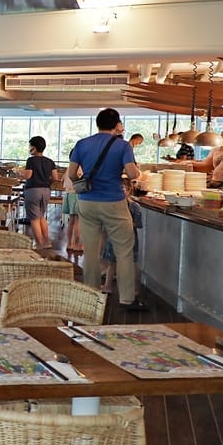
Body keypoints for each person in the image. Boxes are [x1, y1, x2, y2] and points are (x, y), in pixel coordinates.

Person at [67, 107, 145, 312]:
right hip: (113, 202)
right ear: (117, 125)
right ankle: (127, 299)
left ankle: (91, 296)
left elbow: (72, 174)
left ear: (98, 124)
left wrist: (85, 183)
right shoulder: (123, 146)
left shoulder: (82, 144)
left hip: (86, 201)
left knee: (91, 251)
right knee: (124, 251)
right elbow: (132, 173)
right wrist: (136, 172)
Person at [100, 178, 143, 293]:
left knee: (131, 263)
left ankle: (134, 289)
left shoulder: (134, 206)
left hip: (128, 238)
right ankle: (108, 285)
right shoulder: (112, 204)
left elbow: (138, 224)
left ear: (129, 190)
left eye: (123, 189)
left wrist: (126, 223)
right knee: (112, 262)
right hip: (114, 237)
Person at [21, 135, 58, 249]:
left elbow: (28, 175)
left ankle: (39, 244)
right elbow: (55, 178)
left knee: (34, 219)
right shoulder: (50, 161)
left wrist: (19, 172)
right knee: (41, 216)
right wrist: (46, 183)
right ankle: (47, 242)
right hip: (46, 190)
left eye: (30, 146)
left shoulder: (31, 160)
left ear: (34, 147)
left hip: (32, 190)